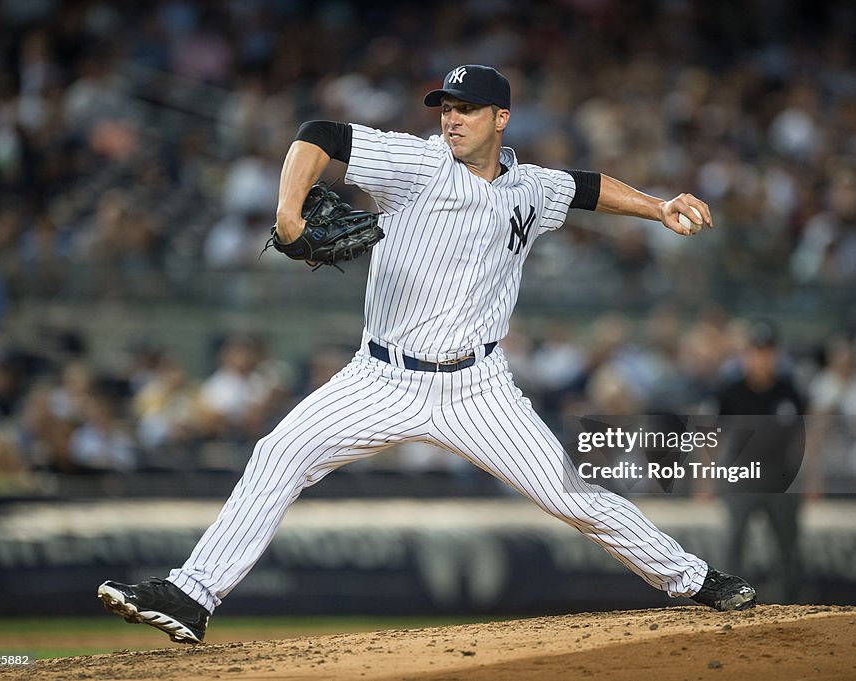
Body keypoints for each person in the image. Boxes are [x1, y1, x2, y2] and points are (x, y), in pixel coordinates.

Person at [98, 65, 756, 644]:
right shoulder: (415, 162)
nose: (452, 118)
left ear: (501, 118)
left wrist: (657, 205)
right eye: (446, 107)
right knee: (279, 452)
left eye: (466, 109)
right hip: (381, 376)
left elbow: (584, 186)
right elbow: (319, 133)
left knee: (573, 496)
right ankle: (193, 595)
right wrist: (290, 212)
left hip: (479, 388)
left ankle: (695, 578)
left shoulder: (532, 187)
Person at [713, 319, 807, 603]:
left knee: (787, 541)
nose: (761, 359)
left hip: (781, 475)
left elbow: (805, 436)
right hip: (741, 474)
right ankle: (730, 596)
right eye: (755, 352)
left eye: (767, 352)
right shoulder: (731, 392)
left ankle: (792, 600)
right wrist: (709, 479)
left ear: (775, 355)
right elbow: (716, 437)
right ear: (746, 355)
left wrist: (811, 477)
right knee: (735, 539)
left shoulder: (789, 391)